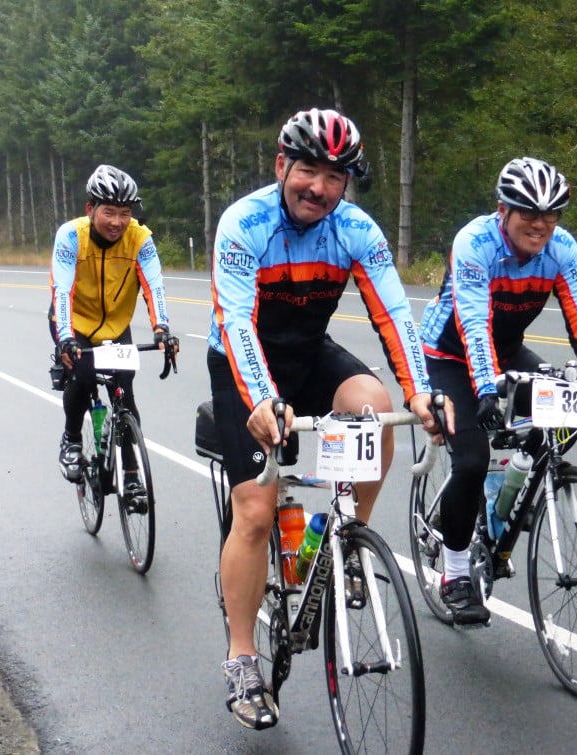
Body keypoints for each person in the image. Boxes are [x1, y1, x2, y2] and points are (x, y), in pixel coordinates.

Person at [207, 107, 452, 730]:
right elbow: (236, 322)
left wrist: (419, 394)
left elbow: (394, 315)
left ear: (348, 183)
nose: (318, 187)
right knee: (257, 512)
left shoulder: (357, 230)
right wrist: (262, 399)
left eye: (335, 176)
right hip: (244, 362)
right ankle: (241, 657)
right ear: (281, 165)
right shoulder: (245, 223)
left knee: (374, 406)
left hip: (307, 352)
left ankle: (349, 543)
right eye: (308, 169)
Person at [419, 156, 577, 626]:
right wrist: (484, 390)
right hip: (450, 356)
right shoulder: (475, 243)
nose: (540, 224)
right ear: (503, 210)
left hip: (507, 352)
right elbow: (474, 323)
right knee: (474, 459)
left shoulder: (561, 248)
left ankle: (502, 509)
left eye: (551, 214)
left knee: (565, 413)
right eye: (528, 213)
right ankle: (456, 573)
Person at [49, 164, 179, 501]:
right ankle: (72, 439)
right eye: (109, 212)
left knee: (126, 397)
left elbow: (154, 285)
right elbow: (62, 290)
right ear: (90, 210)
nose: (117, 222)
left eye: (125, 213)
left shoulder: (140, 239)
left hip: (115, 328)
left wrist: (162, 328)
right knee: (82, 378)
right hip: (74, 323)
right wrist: (65, 336)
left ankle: (132, 475)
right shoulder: (71, 236)